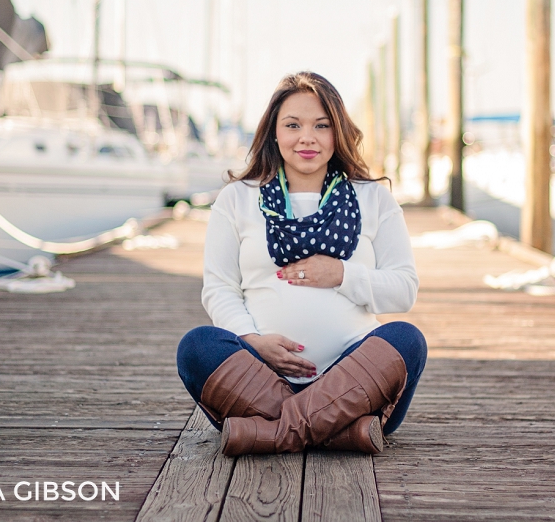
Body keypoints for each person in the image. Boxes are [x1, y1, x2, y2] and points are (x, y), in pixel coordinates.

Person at [177, 71, 426, 456]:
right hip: (258, 378)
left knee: (406, 340)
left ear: (337, 133)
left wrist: (342, 274)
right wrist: (254, 342)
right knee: (197, 347)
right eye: (293, 125)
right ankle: (344, 432)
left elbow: (404, 290)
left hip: (355, 379)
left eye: (321, 125)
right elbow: (220, 289)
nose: (307, 137)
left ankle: (272, 433)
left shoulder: (373, 198)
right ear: (274, 133)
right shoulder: (238, 199)